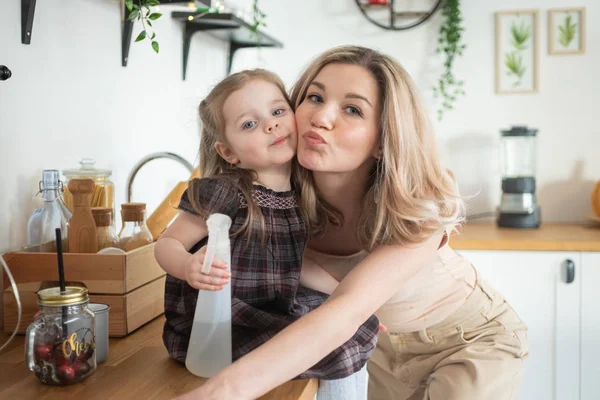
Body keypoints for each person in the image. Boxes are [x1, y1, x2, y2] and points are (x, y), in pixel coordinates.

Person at [177, 46, 529, 400]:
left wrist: (217, 393)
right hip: (372, 349)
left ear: (382, 139)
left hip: (466, 341)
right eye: (314, 97)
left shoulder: (421, 202)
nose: (321, 117)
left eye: (352, 109)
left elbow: (346, 310)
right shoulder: (272, 197)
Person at [154, 68, 379, 399]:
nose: (271, 125)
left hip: (276, 306)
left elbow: (294, 265)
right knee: (336, 343)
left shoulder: (300, 196)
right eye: (249, 124)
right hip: (226, 320)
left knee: (356, 326)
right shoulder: (226, 192)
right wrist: (188, 266)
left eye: (277, 112)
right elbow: (167, 244)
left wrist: (346, 298)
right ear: (229, 153)